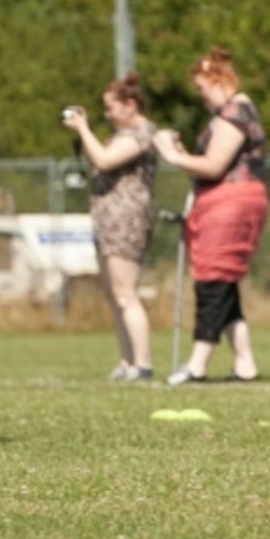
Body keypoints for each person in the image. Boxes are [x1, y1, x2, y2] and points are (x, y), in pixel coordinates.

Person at [153, 47, 268, 385]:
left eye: (202, 89)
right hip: (222, 201)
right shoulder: (230, 113)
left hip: (232, 201)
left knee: (213, 280)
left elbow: (215, 165)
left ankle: (197, 364)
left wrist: (172, 157)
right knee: (223, 280)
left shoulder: (235, 112)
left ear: (217, 80)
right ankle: (245, 363)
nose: (200, 97)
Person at [62, 73, 159, 382]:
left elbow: (104, 161)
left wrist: (83, 129)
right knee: (114, 294)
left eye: (111, 108)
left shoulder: (142, 132)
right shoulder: (122, 134)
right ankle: (127, 360)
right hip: (106, 219)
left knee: (126, 292)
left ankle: (142, 363)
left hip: (126, 221)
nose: (107, 114)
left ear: (130, 105)